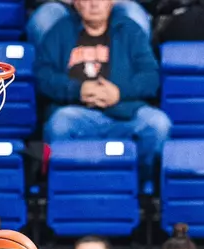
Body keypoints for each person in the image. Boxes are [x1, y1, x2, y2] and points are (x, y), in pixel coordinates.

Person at [37, 0, 172, 181]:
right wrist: (77, 90)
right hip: (79, 114)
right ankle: (71, 185)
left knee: (158, 123)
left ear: (111, 2)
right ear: (76, 3)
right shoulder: (59, 31)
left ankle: (140, 187)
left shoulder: (130, 30)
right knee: (59, 123)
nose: (94, 4)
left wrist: (119, 92)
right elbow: (43, 75)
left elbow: (151, 77)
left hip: (125, 113)